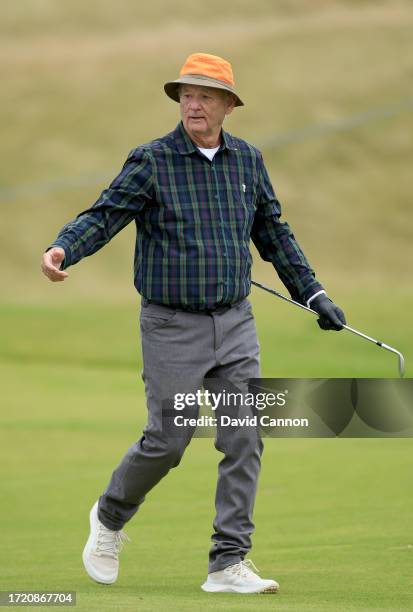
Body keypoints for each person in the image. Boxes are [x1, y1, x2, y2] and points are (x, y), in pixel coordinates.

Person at [41, 52, 346, 594]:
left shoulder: (247, 161)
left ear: (229, 105)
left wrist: (313, 293)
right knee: (169, 439)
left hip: (234, 324)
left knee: (244, 435)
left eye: (205, 95)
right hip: (170, 326)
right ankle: (110, 517)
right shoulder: (153, 160)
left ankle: (228, 562)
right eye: (185, 94)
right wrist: (65, 247)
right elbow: (106, 214)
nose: (193, 103)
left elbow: (274, 234)